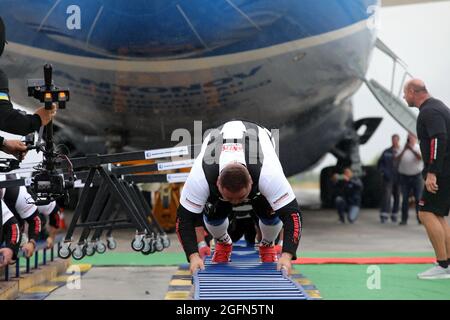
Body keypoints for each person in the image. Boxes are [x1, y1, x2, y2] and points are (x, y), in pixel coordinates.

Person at [176, 120, 302, 275]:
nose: (235, 203)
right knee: (214, 214)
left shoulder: (268, 174)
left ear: (251, 182)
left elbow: (293, 215)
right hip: (217, 143)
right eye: (229, 198)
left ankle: (267, 243)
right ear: (217, 184)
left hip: (258, 138)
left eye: (240, 197)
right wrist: (193, 256)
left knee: (269, 213)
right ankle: (223, 242)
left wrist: (287, 255)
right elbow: (183, 220)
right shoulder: (200, 176)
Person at [403, 78, 450, 279]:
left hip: (442, 172)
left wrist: (432, 172)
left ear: (413, 92)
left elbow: (438, 139)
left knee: (426, 212)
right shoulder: (438, 107)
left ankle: (442, 265)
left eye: (405, 93)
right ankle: (446, 262)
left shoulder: (429, 111)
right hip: (446, 170)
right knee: (438, 215)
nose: (404, 97)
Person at [396, 133, 424, 225]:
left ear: (415, 139)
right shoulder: (401, 148)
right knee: (404, 198)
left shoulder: (418, 147)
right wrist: (405, 149)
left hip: (417, 176)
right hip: (404, 176)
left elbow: (420, 158)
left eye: (411, 138)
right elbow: (396, 159)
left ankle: (420, 219)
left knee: (418, 198)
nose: (410, 139)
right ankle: (404, 219)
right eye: (408, 138)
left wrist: (411, 149)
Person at [377, 134, 401, 223]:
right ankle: (384, 215)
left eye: (396, 140)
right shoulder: (386, 151)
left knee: (397, 196)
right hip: (388, 178)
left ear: (398, 140)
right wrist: (383, 172)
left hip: (399, 178)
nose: (394, 141)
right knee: (386, 196)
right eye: (393, 140)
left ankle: (395, 215)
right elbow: (380, 164)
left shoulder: (401, 151)